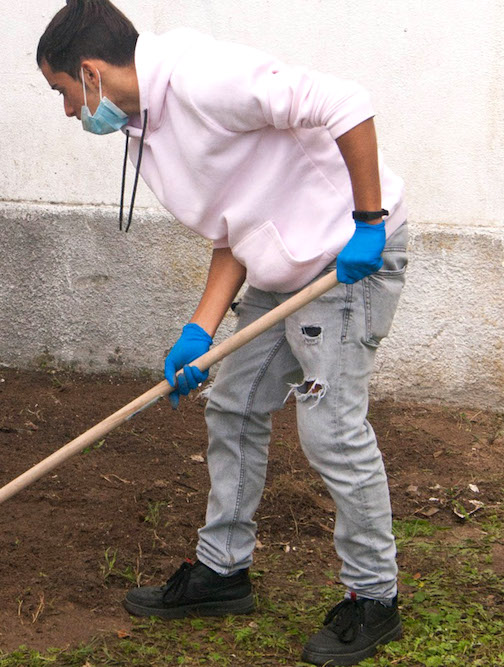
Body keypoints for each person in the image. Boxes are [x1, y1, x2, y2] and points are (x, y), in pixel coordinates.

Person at [36, 2, 407, 665]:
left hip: (343, 262)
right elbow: (234, 225)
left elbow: (347, 102)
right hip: (279, 264)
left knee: (331, 430)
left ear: (89, 72)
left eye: (63, 93)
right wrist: (198, 330)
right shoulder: (144, 126)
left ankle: (374, 598)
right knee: (233, 405)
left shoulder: (205, 78)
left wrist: (369, 219)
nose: (67, 112)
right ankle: (222, 572)